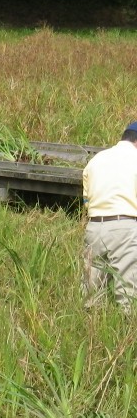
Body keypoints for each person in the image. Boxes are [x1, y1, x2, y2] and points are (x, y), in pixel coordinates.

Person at [80, 121, 137, 310]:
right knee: (127, 291)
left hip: (94, 227)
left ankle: (88, 331)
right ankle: (127, 333)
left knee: (91, 291)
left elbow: (86, 201)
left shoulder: (96, 160)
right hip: (125, 227)